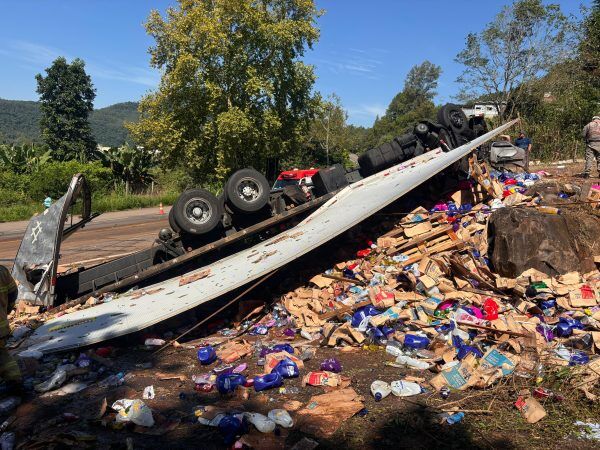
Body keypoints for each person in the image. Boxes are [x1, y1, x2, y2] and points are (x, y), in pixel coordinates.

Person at [0, 265, 20, 392]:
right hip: (1, 327)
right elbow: (13, 293)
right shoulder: (2, 271)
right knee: (2, 355)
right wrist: (6, 310)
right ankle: (15, 382)